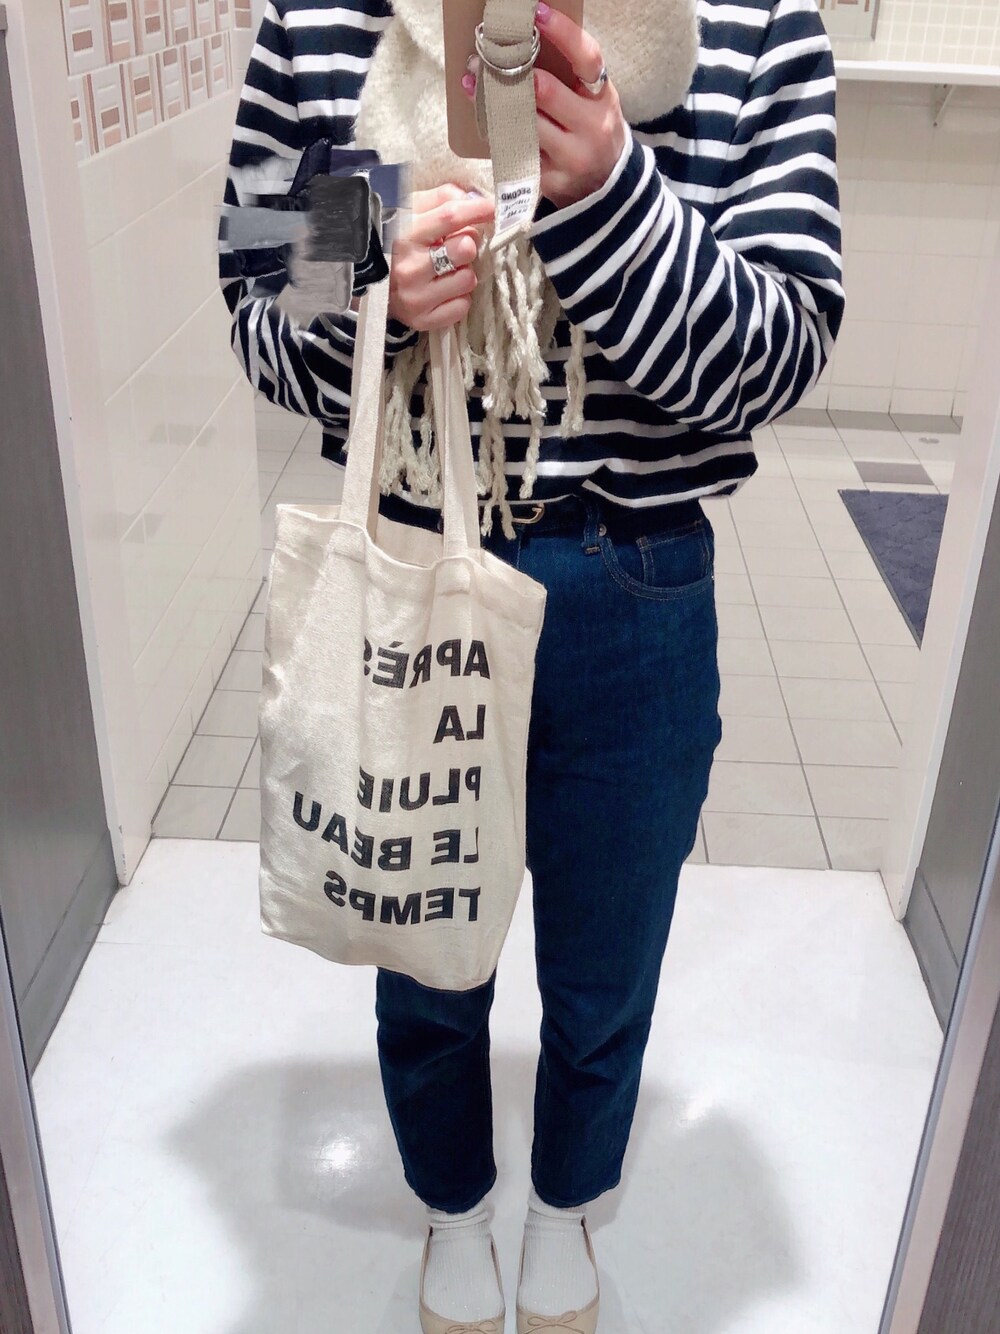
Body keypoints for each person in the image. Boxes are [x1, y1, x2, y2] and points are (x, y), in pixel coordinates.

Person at [220, 1, 845, 1329]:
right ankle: (453, 1202)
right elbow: (261, 299)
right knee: (421, 944)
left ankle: (567, 1203)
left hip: (635, 576)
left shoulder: (746, 20)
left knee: (608, 960)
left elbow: (781, 349)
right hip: (414, 565)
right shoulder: (326, 19)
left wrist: (614, 196)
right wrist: (373, 285)